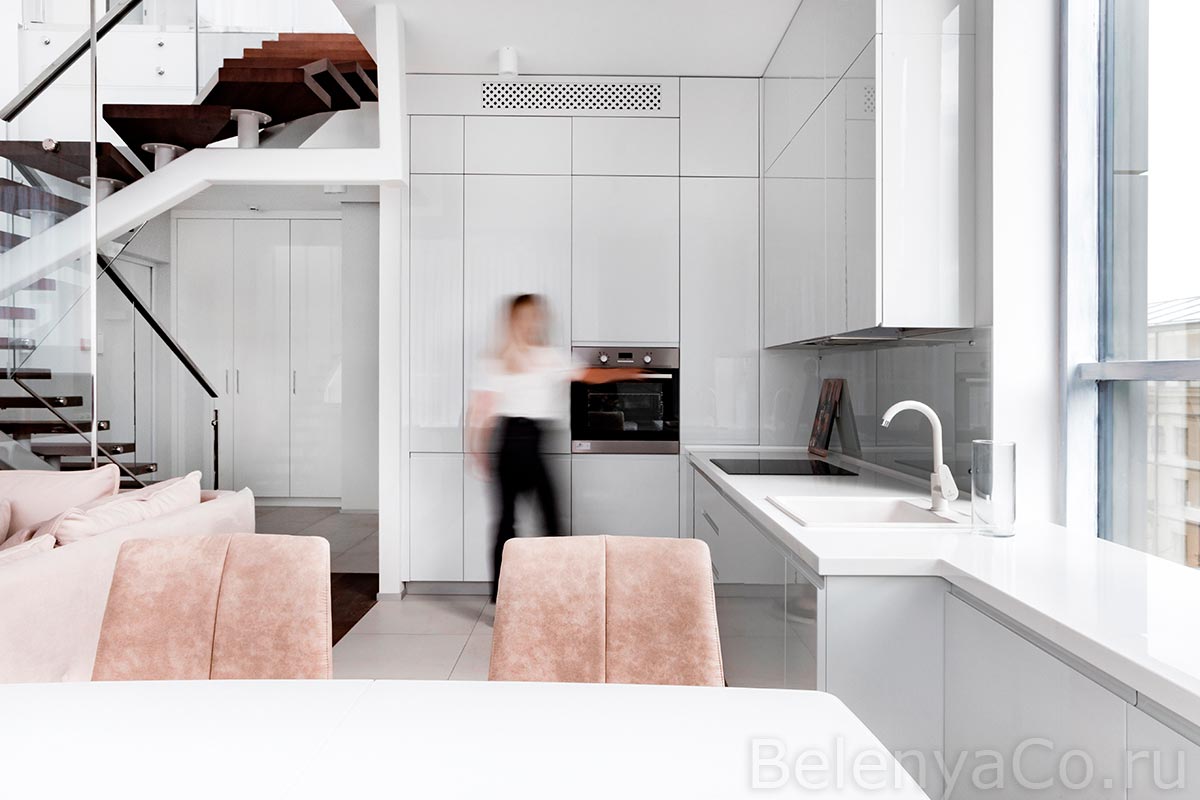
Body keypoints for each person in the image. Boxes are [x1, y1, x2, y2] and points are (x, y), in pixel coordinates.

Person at [467, 294, 641, 602]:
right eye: (525, 316)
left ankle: (553, 594)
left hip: (532, 442)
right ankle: (507, 599)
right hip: (509, 441)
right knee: (511, 523)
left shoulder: (548, 356)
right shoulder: (498, 360)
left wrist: (626, 371)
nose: (531, 321)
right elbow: (481, 408)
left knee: (545, 519)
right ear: (513, 320)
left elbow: (589, 375)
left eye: (535, 316)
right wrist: (476, 450)